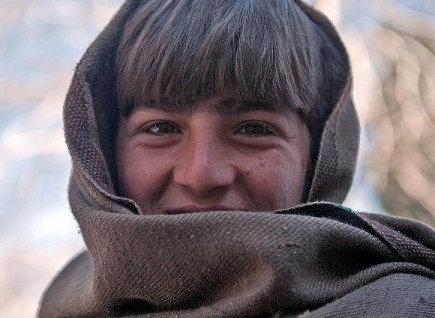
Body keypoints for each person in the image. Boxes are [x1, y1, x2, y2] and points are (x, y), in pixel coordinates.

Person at [38, 0, 435, 317]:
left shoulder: (407, 305)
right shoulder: (64, 305)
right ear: (104, 156)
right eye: (160, 128)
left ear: (319, 158)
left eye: (254, 129)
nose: (201, 175)